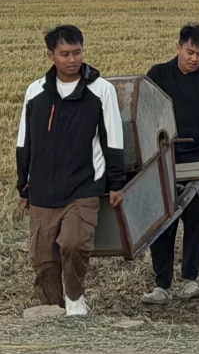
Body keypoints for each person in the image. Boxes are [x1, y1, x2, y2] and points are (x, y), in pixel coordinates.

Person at [15, 25, 125, 316]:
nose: (72, 59)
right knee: (42, 259)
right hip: (42, 188)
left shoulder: (102, 91)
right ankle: (52, 309)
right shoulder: (35, 92)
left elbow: (113, 140)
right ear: (51, 55)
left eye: (77, 52)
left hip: (84, 185)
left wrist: (116, 183)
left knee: (74, 244)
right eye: (64, 54)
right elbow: (24, 140)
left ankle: (75, 299)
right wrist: (22, 183)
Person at [140, 24, 199, 305]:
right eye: (190, 52)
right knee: (162, 221)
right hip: (162, 158)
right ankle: (161, 286)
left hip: (198, 158)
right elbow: (141, 112)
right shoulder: (158, 74)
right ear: (178, 47)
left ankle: (190, 281)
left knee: (198, 219)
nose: (194, 58)